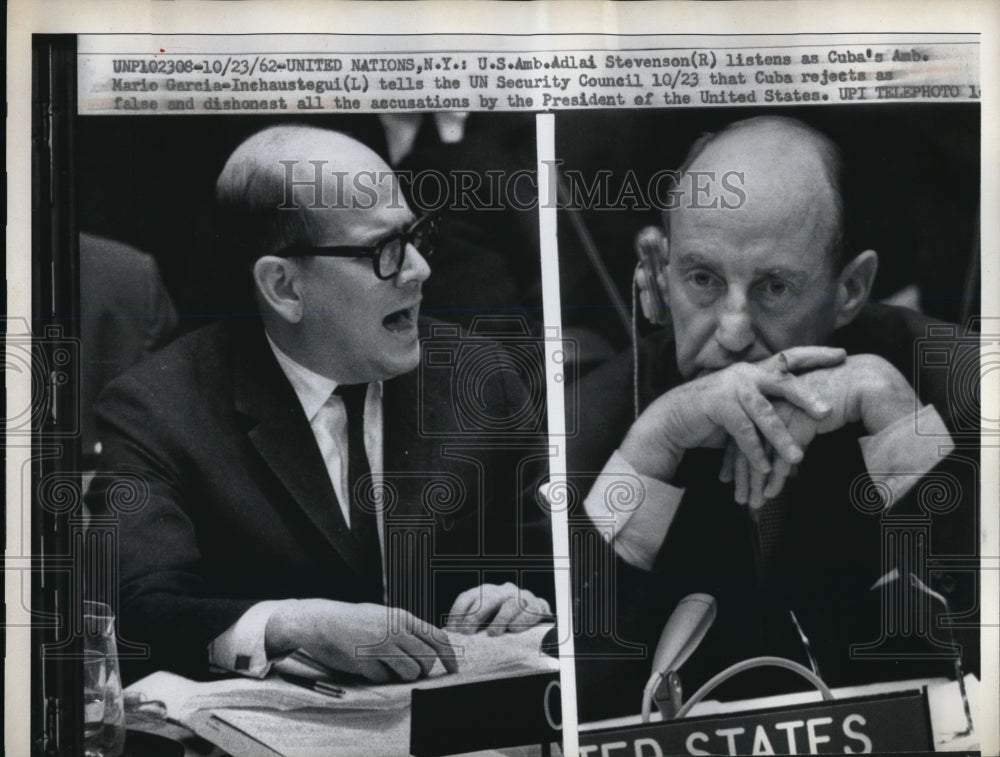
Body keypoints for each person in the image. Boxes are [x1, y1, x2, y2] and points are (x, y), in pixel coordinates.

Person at [87, 125, 553, 685]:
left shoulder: (483, 379)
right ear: (283, 287)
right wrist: (289, 624)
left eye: (417, 235)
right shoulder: (156, 411)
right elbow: (140, 613)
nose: (420, 270)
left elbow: (557, 566)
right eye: (384, 249)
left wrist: (519, 599)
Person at [569, 116, 978, 719]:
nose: (732, 332)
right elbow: (564, 705)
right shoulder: (593, 421)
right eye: (702, 279)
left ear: (851, 289)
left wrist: (898, 426)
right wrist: (651, 447)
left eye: (775, 288)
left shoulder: (958, 385)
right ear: (661, 271)